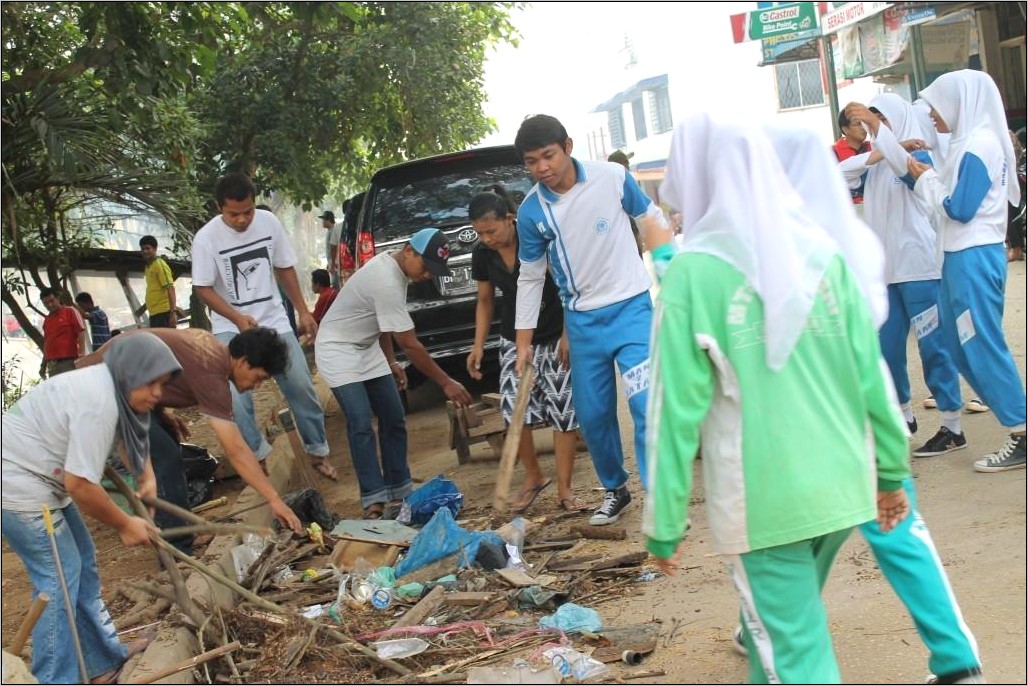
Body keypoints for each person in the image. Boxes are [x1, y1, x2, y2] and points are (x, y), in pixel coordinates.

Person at [644, 115, 912, 684]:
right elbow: (871, 376)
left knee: (794, 657)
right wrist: (890, 470)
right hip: (841, 483)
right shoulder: (823, 255)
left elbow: (674, 410)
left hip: (765, 504)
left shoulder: (692, 275)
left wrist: (664, 520)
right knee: (781, 638)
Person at [766, 122, 986, 686]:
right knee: (897, 535)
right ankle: (957, 660)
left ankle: (767, 632)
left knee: (792, 543)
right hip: (865, 420)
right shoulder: (851, 241)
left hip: (804, 434)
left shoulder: (757, 252)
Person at [513, 114, 672, 526]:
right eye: (532, 162)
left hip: (633, 311)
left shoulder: (612, 178)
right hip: (583, 325)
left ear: (567, 146)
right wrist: (524, 340)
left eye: (548, 156)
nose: (542, 168)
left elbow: (650, 218)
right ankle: (615, 490)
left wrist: (672, 274)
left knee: (645, 403)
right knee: (594, 414)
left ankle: (661, 500)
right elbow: (530, 277)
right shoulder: (532, 212)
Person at [2, 333, 181, 684]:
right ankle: (55, 678)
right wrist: (126, 524)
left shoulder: (113, 387)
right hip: (18, 483)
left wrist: (147, 478)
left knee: (82, 559)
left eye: (162, 384)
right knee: (57, 580)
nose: (158, 393)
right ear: (130, 372)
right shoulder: (98, 401)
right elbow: (81, 486)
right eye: (152, 382)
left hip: (40, 477)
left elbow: (132, 435)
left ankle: (100, 662)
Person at [77, 326, 304, 550]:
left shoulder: (213, 350)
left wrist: (160, 411)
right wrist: (274, 499)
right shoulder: (212, 373)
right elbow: (236, 449)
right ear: (243, 362)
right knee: (165, 457)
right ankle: (174, 547)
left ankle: (180, 532)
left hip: (117, 381)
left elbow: (153, 370)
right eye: (259, 377)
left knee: (168, 446)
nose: (256, 386)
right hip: (102, 387)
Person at [904, 69, 1027, 473]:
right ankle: (1016, 422)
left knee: (981, 343)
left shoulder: (978, 145)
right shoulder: (967, 143)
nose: (933, 115)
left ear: (960, 102)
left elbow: (960, 207)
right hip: (960, 256)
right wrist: (924, 176)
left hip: (973, 257)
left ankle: (1021, 431)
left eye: (936, 106)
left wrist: (927, 181)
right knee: (960, 346)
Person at [839, 94, 969, 456]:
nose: (873, 127)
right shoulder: (876, 164)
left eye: (880, 119)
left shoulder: (919, 158)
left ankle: (952, 426)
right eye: (871, 122)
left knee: (933, 347)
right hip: (886, 273)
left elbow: (904, 167)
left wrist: (887, 145)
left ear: (899, 119)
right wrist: (878, 151)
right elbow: (839, 173)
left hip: (920, 269)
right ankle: (903, 416)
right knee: (887, 348)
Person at [315, 228, 473, 519]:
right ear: (410, 251)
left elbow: (382, 324)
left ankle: (399, 489)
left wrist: (389, 362)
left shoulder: (396, 270)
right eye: (426, 267)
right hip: (337, 348)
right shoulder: (386, 278)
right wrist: (445, 382)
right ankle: (373, 499)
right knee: (361, 421)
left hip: (367, 345)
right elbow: (410, 344)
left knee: (393, 414)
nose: (427, 275)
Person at [191, 172, 335, 479]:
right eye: (234, 214)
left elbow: (284, 267)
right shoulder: (206, 239)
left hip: (272, 320)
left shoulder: (269, 224)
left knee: (299, 383)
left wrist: (302, 311)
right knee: (235, 397)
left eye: (248, 212)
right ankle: (256, 456)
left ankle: (317, 450)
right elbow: (203, 288)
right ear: (220, 208)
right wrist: (236, 317)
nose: (242, 220)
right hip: (229, 326)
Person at [466, 185, 587, 514]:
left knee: (563, 414)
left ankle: (565, 490)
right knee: (513, 412)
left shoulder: (536, 240)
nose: (486, 239)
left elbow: (568, 288)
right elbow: (485, 300)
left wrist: (568, 333)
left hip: (552, 333)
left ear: (510, 219)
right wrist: (478, 346)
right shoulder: (483, 254)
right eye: (480, 233)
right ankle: (533, 476)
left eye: (491, 231)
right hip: (512, 338)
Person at [39, 287, 87, 379]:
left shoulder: (70, 311)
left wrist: (81, 355)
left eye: (51, 301)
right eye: (46, 303)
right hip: (52, 364)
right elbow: (47, 343)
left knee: (71, 388)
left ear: (58, 298)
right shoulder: (47, 320)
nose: (49, 305)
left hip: (69, 361)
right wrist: (43, 365)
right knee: (59, 391)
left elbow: (81, 332)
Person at [607, 150, 644, 256]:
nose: (628, 167)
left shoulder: (615, 183)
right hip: (626, 238)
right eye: (626, 164)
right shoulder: (620, 185)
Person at [833, 107, 872, 204]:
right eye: (858, 124)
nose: (863, 128)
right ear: (845, 129)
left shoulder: (874, 148)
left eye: (864, 123)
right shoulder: (833, 153)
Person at [137, 235, 177, 328]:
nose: (145, 251)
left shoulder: (159, 264)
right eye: (143, 249)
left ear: (155, 248)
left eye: (148, 248)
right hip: (154, 313)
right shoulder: (148, 267)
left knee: (165, 341)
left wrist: (173, 313)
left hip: (164, 313)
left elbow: (170, 288)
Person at [320, 209, 342, 288]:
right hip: (332, 263)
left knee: (335, 285)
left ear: (328, 220)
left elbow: (334, 249)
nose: (322, 222)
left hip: (335, 264)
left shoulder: (333, 231)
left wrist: (332, 264)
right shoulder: (330, 231)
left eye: (323, 220)